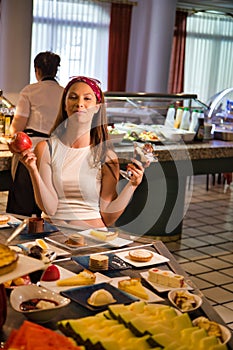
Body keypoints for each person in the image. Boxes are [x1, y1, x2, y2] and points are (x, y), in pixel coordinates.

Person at [17, 76, 146, 230]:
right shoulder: (46, 149)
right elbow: (49, 209)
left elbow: (108, 218)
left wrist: (132, 185)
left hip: (93, 235)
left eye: (87, 98)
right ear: (65, 104)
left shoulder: (106, 155)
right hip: (53, 234)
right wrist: (33, 170)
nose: (79, 103)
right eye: (73, 97)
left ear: (97, 107)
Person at [6, 51, 64, 217]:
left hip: (30, 150)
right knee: (48, 203)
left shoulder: (29, 91)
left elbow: (16, 129)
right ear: (56, 71)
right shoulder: (65, 92)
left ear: (37, 70)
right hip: (55, 150)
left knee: (24, 206)